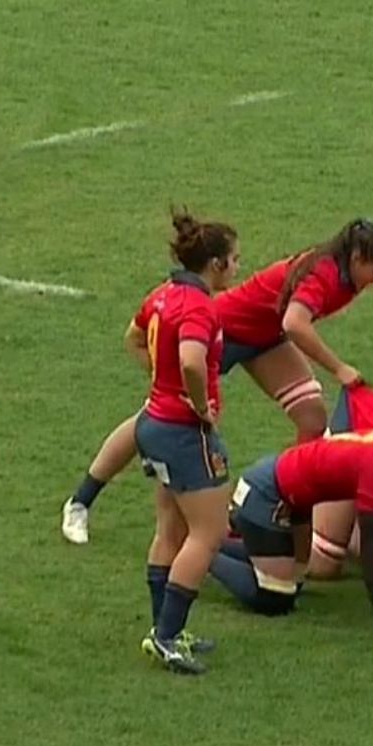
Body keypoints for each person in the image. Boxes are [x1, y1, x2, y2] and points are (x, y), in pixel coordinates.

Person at [60, 219, 373, 544]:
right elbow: (294, 324)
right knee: (151, 421)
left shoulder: (355, 264)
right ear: (357, 258)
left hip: (264, 338)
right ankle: (81, 501)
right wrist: (340, 367)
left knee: (312, 419)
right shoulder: (323, 275)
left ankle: (288, 510)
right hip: (224, 332)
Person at [208, 408, 373, 630]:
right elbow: (370, 547)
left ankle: (214, 545)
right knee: (274, 598)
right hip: (268, 494)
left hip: (292, 497)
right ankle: (203, 552)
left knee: (294, 582)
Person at [132, 209, 239, 674]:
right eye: (235, 260)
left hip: (153, 423)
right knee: (209, 533)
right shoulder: (199, 306)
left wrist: (162, 382)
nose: (239, 268)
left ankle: (163, 628)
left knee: (171, 530)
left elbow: (134, 338)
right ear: (214, 264)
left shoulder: (163, 294)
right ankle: (168, 637)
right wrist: (199, 405)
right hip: (183, 432)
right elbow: (193, 361)